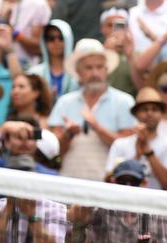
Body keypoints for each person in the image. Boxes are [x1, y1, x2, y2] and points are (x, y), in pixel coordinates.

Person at [49, 40, 135, 182]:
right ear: (78, 72)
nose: (95, 73)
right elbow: (53, 153)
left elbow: (129, 149)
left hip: (110, 184)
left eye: (99, 67)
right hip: (69, 181)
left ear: (106, 70)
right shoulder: (65, 102)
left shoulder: (124, 102)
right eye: (88, 68)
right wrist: (68, 135)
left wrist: (97, 127)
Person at [106, 87, 167, 190]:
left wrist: (148, 150)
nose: (149, 113)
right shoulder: (120, 144)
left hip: (158, 203)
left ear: (161, 114)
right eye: (144, 109)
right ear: (136, 114)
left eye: (155, 109)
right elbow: (109, 180)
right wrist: (137, 155)